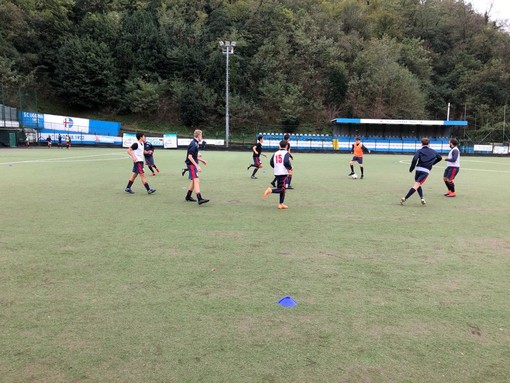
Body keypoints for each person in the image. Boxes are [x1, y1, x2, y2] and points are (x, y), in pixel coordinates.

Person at [400, 137, 442, 206]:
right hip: (425, 171)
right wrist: (432, 163)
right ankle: (405, 198)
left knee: (417, 184)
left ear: (421, 144)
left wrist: (411, 168)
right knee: (416, 185)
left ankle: (422, 198)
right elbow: (439, 158)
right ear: (429, 144)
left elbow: (415, 159)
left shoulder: (419, 150)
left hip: (418, 169)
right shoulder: (433, 151)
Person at [263, 140, 293, 209]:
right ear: (286, 146)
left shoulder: (275, 153)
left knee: (281, 189)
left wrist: (276, 167)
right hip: (283, 173)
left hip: (277, 173)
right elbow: (286, 162)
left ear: (280, 145)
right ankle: (270, 190)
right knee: (283, 189)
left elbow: (271, 162)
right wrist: (290, 168)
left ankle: (281, 204)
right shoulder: (286, 153)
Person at [184, 129, 209, 205]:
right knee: (196, 181)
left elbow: (194, 156)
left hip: (192, 164)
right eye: (201, 135)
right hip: (191, 165)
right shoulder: (194, 144)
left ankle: (188, 196)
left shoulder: (196, 143)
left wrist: (201, 160)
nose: (202, 137)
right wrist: (197, 165)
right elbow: (190, 157)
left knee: (194, 181)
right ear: (198, 135)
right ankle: (199, 198)